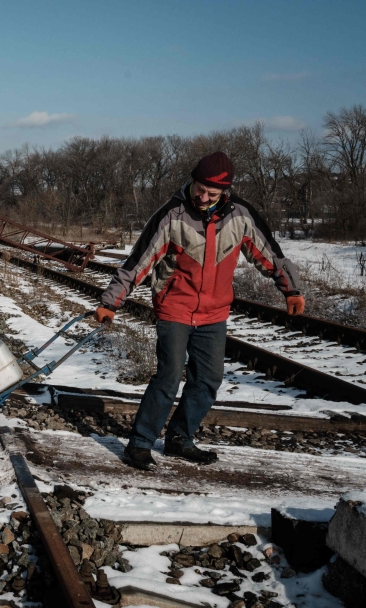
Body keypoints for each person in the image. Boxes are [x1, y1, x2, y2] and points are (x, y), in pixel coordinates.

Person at [94, 152, 305, 470]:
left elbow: (270, 254)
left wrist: (291, 289)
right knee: (168, 377)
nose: (203, 197)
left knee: (207, 380)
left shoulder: (241, 217)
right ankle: (139, 443)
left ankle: (180, 439)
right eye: (199, 188)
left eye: (212, 193)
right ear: (192, 181)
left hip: (213, 313)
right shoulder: (172, 215)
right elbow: (139, 261)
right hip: (175, 308)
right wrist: (110, 302)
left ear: (225, 192)